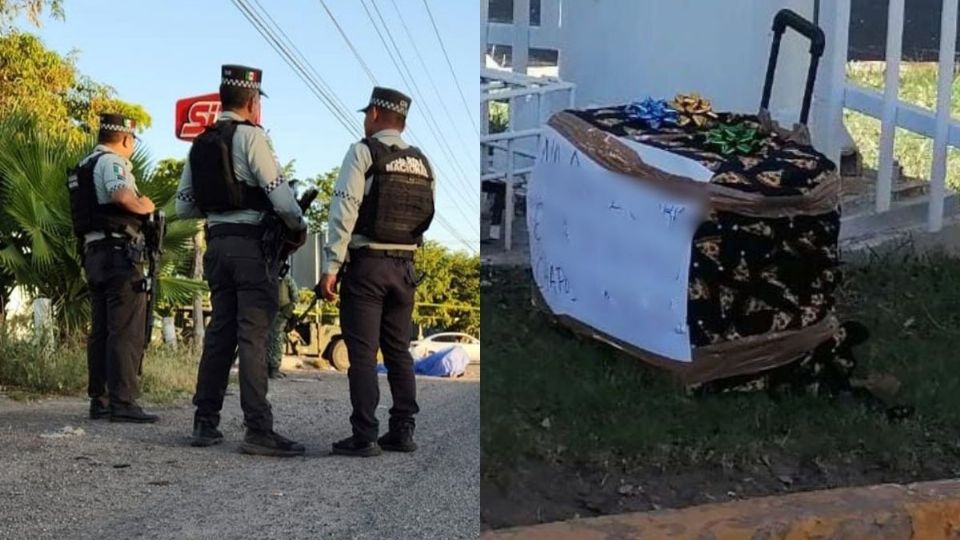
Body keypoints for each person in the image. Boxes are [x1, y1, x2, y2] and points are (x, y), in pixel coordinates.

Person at [175, 64, 307, 457]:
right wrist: (297, 226)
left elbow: (183, 206)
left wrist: (220, 208)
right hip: (253, 249)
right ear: (253, 102)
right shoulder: (253, 138)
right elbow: (281, 198)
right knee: (253, 335)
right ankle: (258, 429)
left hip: (217, 246)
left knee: (220, 334)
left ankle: (205, 421)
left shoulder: (199, 144)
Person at [320, 87, 435, 457]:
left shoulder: (363, 152)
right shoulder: (423, 162)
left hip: (368, 264)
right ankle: (403, 430)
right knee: (399, 351)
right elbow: (425, 216)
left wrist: (332, 266)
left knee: (363, 354)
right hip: (405, 268)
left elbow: (345, 211)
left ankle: (365, 435)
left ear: (373, 115)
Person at [68, 113, 159, 423]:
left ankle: (101, 399)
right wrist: (145, 205)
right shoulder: (111, 163)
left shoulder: (85, 165)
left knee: (102, 330)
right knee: (126, 329)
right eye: (132, 141)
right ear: (125, 139)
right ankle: (124, 401)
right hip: (119, 254)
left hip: (94, 253)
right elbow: (122, 196)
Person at [266, 272, 299, 379]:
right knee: (268, 340)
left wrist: (288, 312)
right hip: (268, 313)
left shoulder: (286, 279)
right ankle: (268, 367)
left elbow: (295, 298)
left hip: (281, 314)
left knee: (276, 339)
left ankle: (274, 368)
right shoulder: (268, 276)